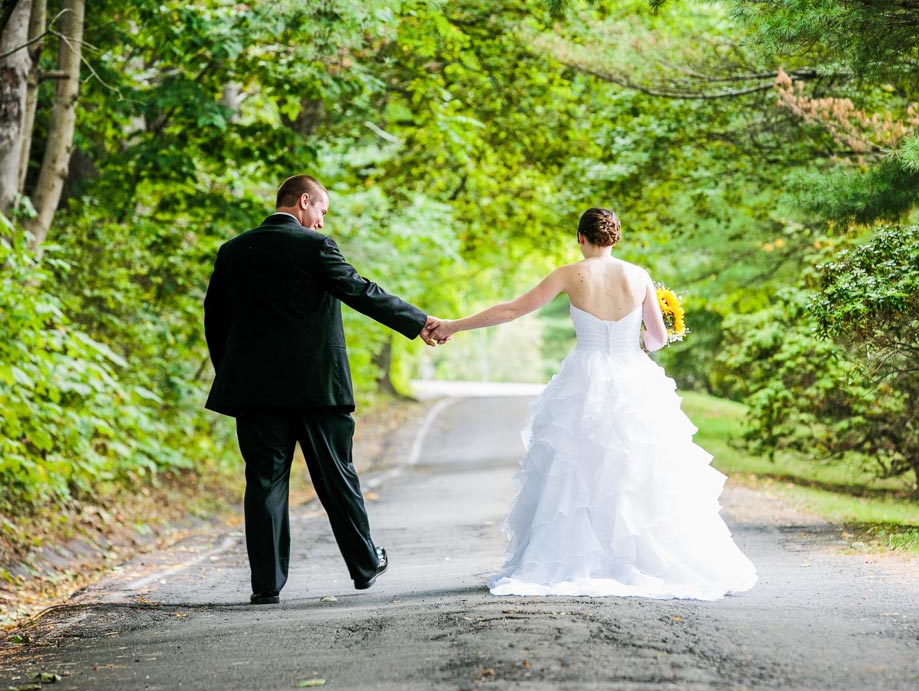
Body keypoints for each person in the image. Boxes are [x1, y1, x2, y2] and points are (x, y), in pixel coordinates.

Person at [432, 207, 757, 599]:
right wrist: (639, 341)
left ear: (581, 238)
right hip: (633, 377)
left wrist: (451, 325)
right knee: (639, 467)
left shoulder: (569, 274)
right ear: (615, 238)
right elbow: (656, 337)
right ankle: (637, 558)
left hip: (583, 379)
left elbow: (513, 310)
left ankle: (576, 557)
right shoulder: (638, 277)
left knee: (576, 468)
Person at [204, 175, 443, 605]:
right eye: (321, 212)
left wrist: (235, 377)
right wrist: (418, 322)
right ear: (304, 201)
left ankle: (266, 586)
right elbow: (360, 292)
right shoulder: (316, 247)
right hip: (319, 389)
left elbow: (215, 321)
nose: (320, 222)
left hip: (255, 393)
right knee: (336, 475)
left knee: (264, 483)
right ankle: (365, 565)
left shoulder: (233, 252)